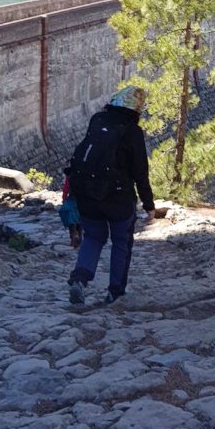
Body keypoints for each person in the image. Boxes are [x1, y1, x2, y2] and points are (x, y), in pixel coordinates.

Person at [67, 85, 155, 306]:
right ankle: (115, 292)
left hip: (87, 193)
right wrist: (148, 204)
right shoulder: (132, 132)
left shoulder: (97, 120)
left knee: (94, 237)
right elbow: (140, 172)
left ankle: (80, 279)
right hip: (118, 198)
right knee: (121, 242)